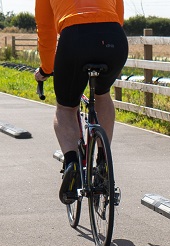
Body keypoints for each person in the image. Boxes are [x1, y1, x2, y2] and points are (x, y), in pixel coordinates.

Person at [34, 0, 128, 204]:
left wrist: (46, 69)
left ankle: (72, 163)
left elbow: (46, 30)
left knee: (66, 107)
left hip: (75, 37)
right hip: (114, 38)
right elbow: (118, 15)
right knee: (102, 94)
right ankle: (103, 161)